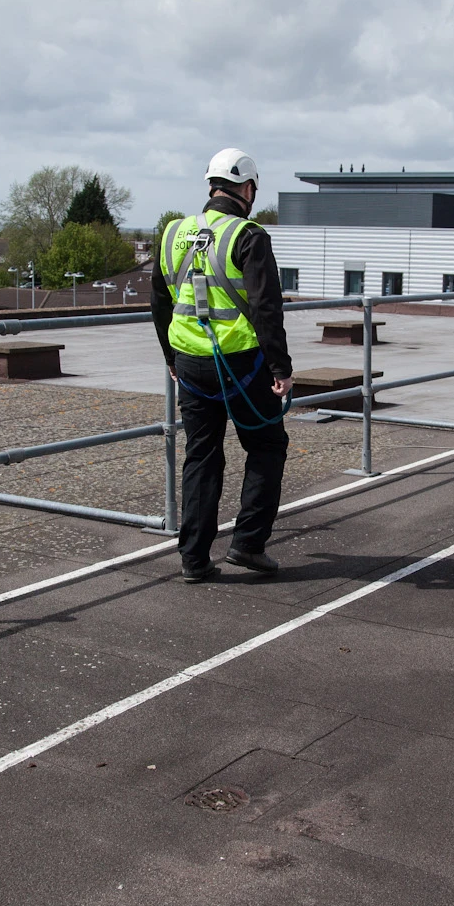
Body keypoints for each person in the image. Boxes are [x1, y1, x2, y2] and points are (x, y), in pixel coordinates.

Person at [151, 148, 294, 582]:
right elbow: (266, 308)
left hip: (191, 365)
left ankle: (194, 558)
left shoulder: (173, 231)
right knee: (267, 446)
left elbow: (159, 301)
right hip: (242, 367)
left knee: (203, 455)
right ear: (247, 189)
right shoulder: (248, 235)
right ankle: (248, 545)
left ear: (212, 186)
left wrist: (171, 359)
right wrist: (281, 369)